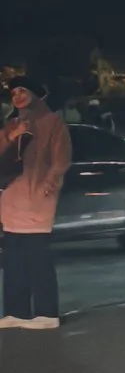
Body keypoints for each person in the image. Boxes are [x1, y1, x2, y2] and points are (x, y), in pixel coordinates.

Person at [0, 77, 74, 330]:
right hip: (12, 198)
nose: (18, 96)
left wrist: (48, 186)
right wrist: (12, 137)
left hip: (38, 198)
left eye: (22, 90)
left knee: (37, 256)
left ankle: (46, 312)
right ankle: (15, 311)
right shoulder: (11, 124)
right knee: (13, 258)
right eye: (13, 92)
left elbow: (61, 160)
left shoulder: (53, 122)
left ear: (34, 93)